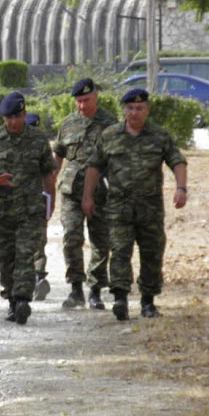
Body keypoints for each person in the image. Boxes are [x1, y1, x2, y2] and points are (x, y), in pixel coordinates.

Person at [82, 88, 188, 321]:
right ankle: (120, 298)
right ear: (124, 110)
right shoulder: (110, 135)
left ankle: (148, 302)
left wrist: (181, 188)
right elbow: (94, 167)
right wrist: (87, 197)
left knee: (152, 253)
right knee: (120, 251)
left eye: (139, 108)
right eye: (130, 108)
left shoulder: (160, 136)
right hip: (119, 207)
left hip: (150, 208)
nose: (134, 113)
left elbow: (177, 161)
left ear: (147, 110)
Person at [0, 93, 56, 325]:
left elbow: (49, 172)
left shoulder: (38, 140)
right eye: (8, 118)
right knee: (5, 260)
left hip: (30, 211)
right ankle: (11, 298)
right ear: (3, 118)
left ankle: (22, 300)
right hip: (1, 212)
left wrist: (50, 201)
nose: (13, 122)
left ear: (24, 114)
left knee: (25, 256)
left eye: (17, 116)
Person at [53, 78, 118, 310]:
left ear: (96, 96)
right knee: (72, 237)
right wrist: (48, 187)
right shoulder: (68, 123)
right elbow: (58, 156)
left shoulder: (110, 124)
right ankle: (76, 289)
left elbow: (115, 160)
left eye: (86, 100)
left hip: (100, 191)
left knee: (100, 241)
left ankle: (96, 290)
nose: (82, 106)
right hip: (71, 190)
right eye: (78, 101)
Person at [25, 112, 52, 301]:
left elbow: (50, 177)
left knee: (39, 241)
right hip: (18, 203)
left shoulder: (43, 148)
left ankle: (39, 278)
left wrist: (49, 204)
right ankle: (26, 279)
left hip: (38, 201)